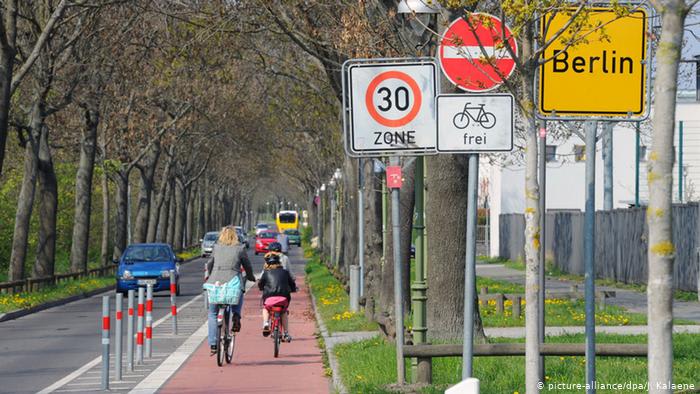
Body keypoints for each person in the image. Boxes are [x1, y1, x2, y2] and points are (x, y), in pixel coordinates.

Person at [205, 226, 255, 354]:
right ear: (235, 236)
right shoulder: (240, 248)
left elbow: (210, 263)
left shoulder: (216, 247)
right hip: (233, 281)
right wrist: (250, 277)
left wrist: (210, 276)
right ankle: (236, 315)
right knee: (239, 292)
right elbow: (247, 265)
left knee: (212, 314)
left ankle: (213, 344)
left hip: (216, 282)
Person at [258, 254, 296, 342]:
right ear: (279, 262)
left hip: (269, 299)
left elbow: (260, 284)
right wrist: (293, 289)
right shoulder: (285, 272)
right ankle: (286, 333)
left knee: (266, 308)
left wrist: (261, 288)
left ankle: (266, 323)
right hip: (283, 298)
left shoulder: (266, 273)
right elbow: (292, 283)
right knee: (283, 312)